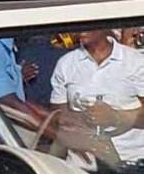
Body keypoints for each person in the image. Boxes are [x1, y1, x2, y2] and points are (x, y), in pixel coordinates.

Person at [50, 29, 144, 166]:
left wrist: (115, 117)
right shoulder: (66, 64)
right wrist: (82, 118)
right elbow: (57, 116)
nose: (81, 30)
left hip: (132, 160)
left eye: (88, 24)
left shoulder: (136, 61)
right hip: (81, 165)